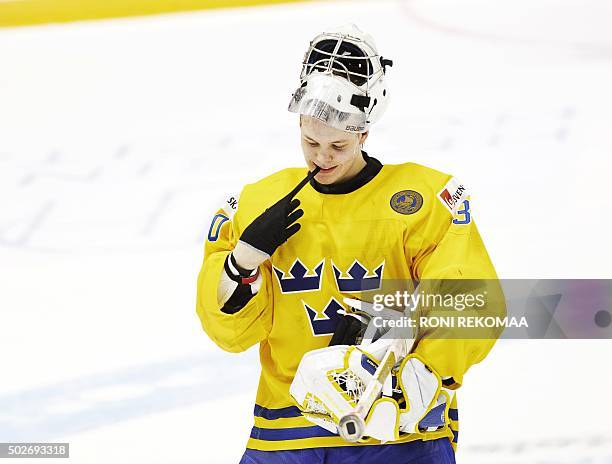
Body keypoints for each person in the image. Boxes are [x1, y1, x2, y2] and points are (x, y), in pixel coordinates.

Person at [197, 24, 502, 463]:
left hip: (396, 430)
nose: (322, 156)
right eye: (310, 141)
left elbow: (472, 297)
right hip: (288, 433)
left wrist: (421, 372)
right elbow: (227, 333)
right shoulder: (256, 202)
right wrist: (240, 263)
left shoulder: (423, 200)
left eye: (338, 144)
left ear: (364, 132)